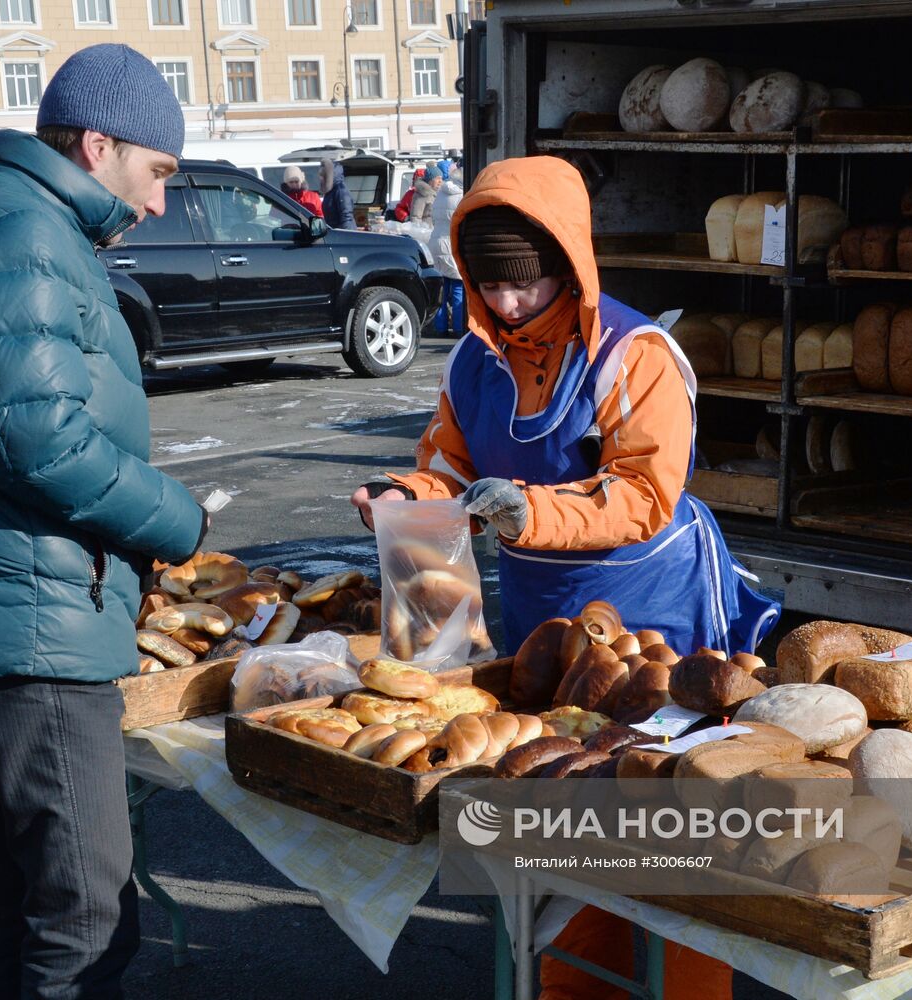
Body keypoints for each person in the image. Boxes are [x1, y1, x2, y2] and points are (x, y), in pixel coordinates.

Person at [350, 155, 780, 999]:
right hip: (549, 618)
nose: (508, 304)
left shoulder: (635, 354)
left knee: (658, 825)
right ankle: (565, 980)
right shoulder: (473, 362)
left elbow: (646, 494)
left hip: (657, 616)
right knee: (556, 798)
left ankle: (671, 986)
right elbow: (451, 466)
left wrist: (529, 515)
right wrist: (408, 495)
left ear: (566, 263)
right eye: (489, 284)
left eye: (526, 283)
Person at [0, 44, 208, 1000]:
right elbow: (40, 442)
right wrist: (174, 520)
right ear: (98, 143)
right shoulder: (24, 233)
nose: (156, 203)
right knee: (83, 918)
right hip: (27, 635)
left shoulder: (6, 220)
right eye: (155, 174)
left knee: (20, 901)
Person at [428, 165, 465, 336]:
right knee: (458, 287)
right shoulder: (461, 195)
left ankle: (440, 327)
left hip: (435, 242)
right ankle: (459, 327)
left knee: (441, 288)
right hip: (452, 243)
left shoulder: (441, 193)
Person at [320, 156, 356, 229]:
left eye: (323, 176)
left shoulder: (340, 190)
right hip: (333, 231)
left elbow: (346, 217)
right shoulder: (330, 191)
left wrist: (344, 236)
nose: (320, 179)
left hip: (342, 234)